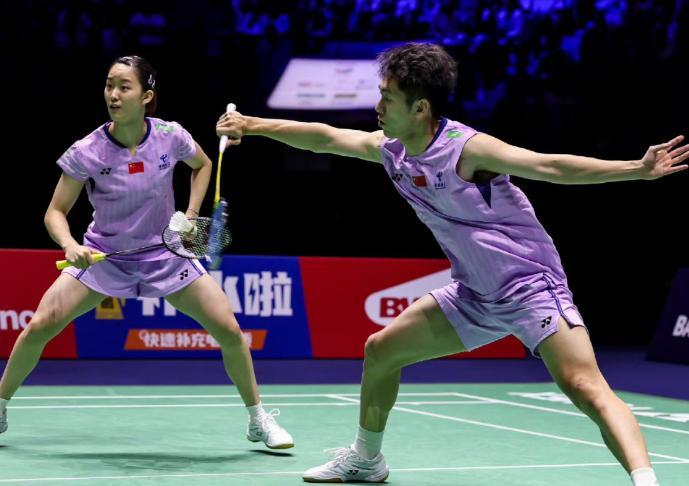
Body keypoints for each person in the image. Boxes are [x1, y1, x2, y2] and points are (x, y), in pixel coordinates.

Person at [216, 43, 688, 485]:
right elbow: (327, 138)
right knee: (381, 350)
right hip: (472, 295)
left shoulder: (468, 149)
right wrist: (252, 125)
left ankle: (645, 480)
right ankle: (366, 459)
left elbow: (548, 166)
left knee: (584, 385)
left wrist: (636, 169)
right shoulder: (393, 151)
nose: (378, 107)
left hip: (530, 289)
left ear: (420, 108)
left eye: (388, 98)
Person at [0, 55, 293, 450]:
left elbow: (202, 165)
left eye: (124, 87)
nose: (113, 94)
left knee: (229, 331)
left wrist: (191, 214)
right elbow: (55, 212)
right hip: (106, 257)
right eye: (109, 85)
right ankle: (0, 406)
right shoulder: (87, 150)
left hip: (165, 255)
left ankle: (258, 419)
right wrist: (70, 245)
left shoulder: (170, 135)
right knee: (39, 326)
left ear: (146, 96)